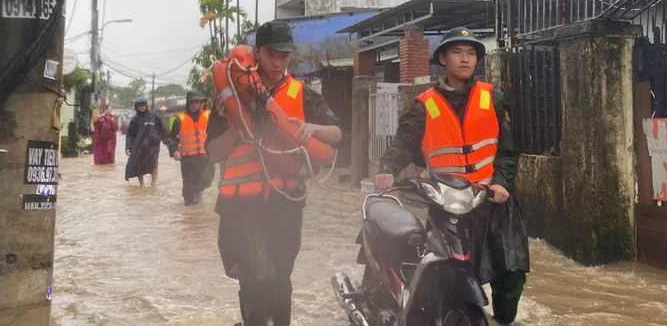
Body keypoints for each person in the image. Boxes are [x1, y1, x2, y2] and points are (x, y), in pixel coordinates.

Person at [373, 27, 530, 325]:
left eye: (471, 53)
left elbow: (508, 151)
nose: (465, 59)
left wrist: (501, 182)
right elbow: (403, 144)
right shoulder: (424, 105)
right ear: (443, 59)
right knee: (445, 274)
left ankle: (502, 320)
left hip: (492, 200)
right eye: (457, 52)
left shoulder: (493, 98)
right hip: (448, 204)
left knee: (511, 274)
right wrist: (386, 170)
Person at [204, 20, 347, 326]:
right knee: (258, 275)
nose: (278, 62)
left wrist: (313, 128)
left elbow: (338, 134)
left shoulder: (304, 95)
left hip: (286, 204)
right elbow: (213, 154)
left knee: (280, 278)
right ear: (256, 53)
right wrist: (234, 127)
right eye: (271, 55)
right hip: (241, 206)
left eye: (284, 55)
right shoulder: (228, 97)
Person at [166, 90, 214, 206]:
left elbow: (219, 134)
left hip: (206, 158)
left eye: (197, 102)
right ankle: (190, 214)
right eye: (191, 103)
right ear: (187, 103)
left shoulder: (210, 116)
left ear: (201, 103)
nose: (194, 105)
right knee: (189, 190)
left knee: (205, 181)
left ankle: (199, 195)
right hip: (188, 160)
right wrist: (174, 151)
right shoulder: (179, 119)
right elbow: (171, 138)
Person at [125, 97, 168, 186]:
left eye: (143, 105)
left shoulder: (154, 117)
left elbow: (163, 129)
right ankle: (142, 185)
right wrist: (128, 147)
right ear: (136, 107)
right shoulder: (134, 120)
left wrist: (167, 141)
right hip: (139, 147)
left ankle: (153, 184)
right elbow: (130, 134)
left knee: (154, 164)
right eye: (140, 106)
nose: (142, 107)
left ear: (146, 106)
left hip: (153, 146)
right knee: (139, 165)